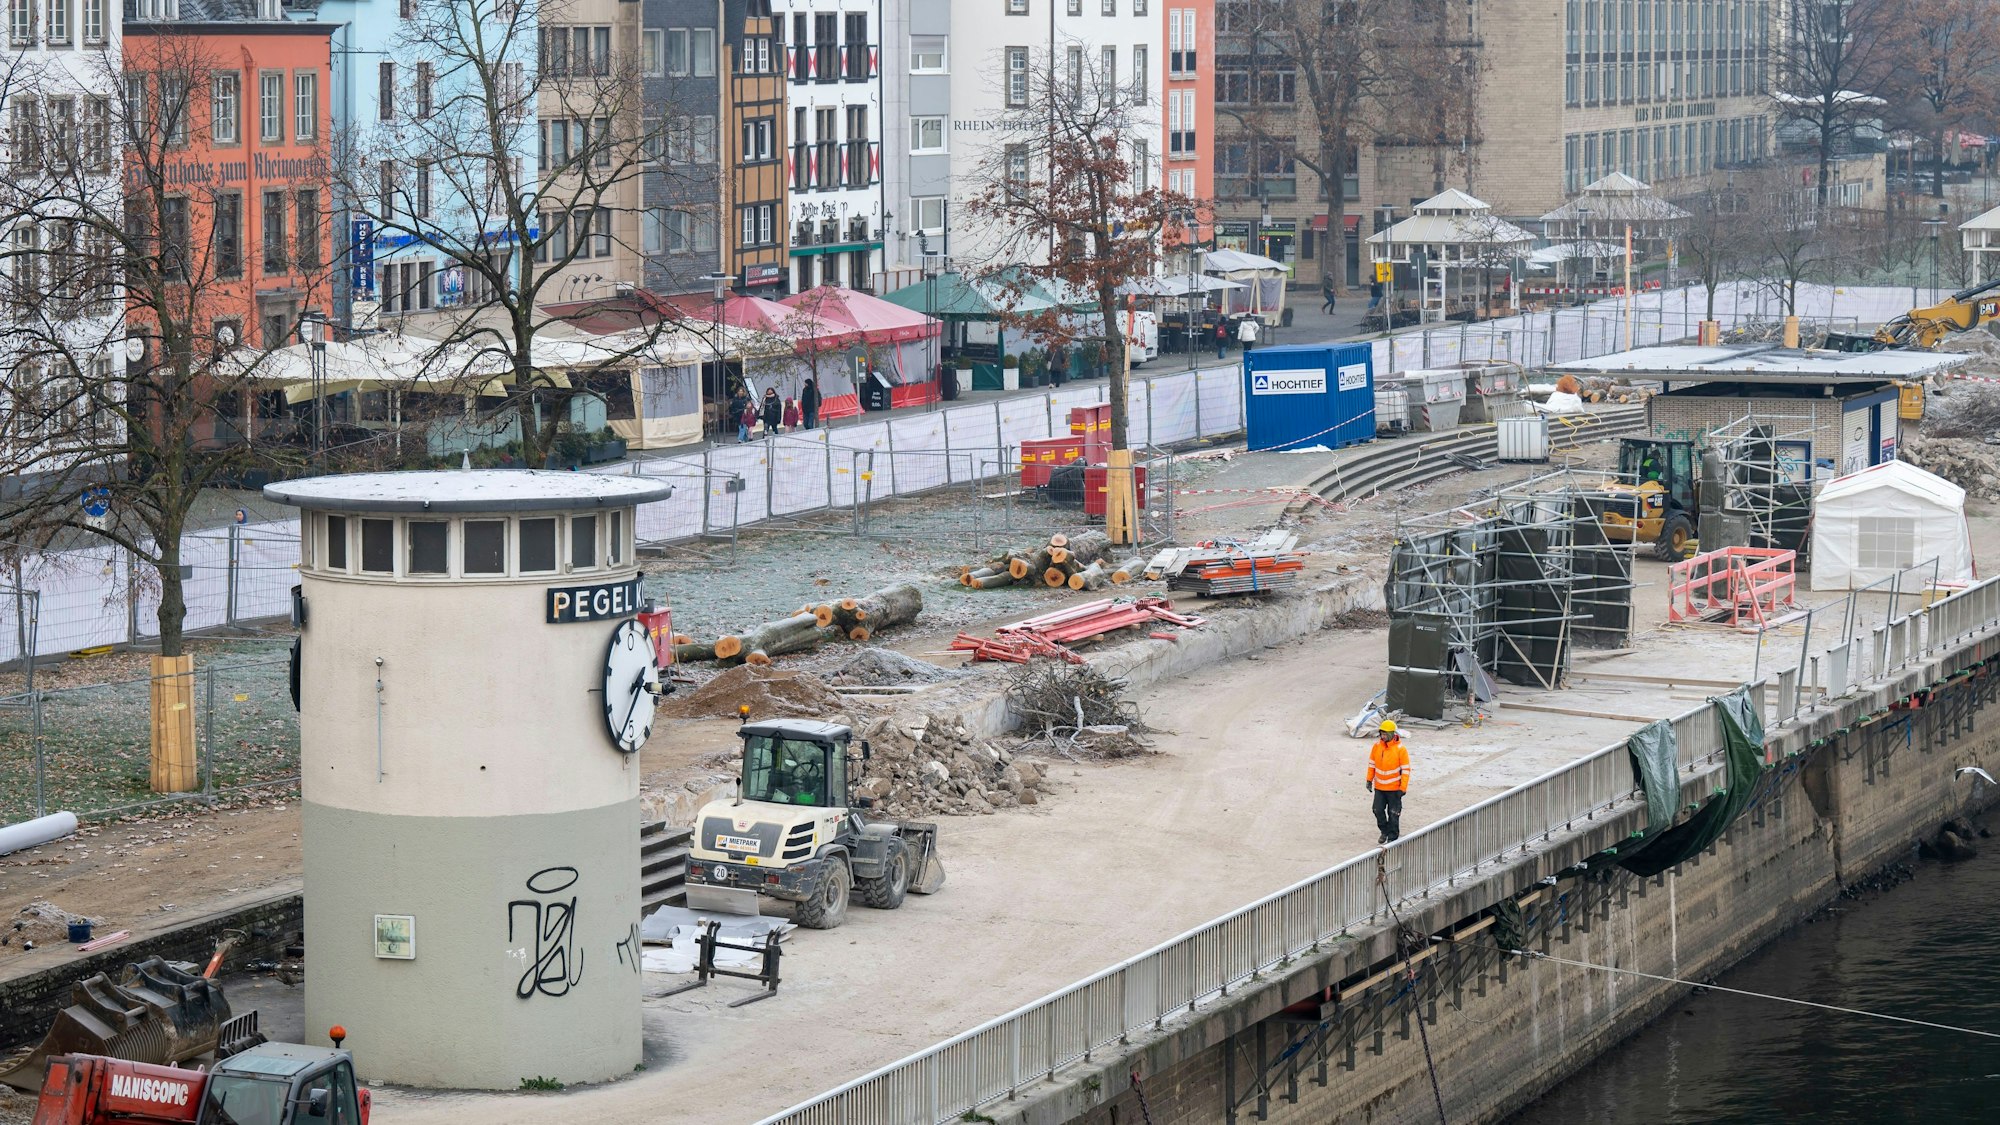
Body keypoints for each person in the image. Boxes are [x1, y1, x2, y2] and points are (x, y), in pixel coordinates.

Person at [1366, 719, 1411, 844]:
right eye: (1382, 734)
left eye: (1385, 734)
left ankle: (1392, 838)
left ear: (1391, 734)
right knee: (1377, 810)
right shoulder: (1376, 747)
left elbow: (1406, 770)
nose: (1383, 736)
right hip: (1380, 788)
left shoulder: (1401, 750)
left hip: (1394, 789)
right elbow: (1372, 764)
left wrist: (1403, 788)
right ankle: (1384, 831)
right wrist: (1369, 780)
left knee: (1394, 814)